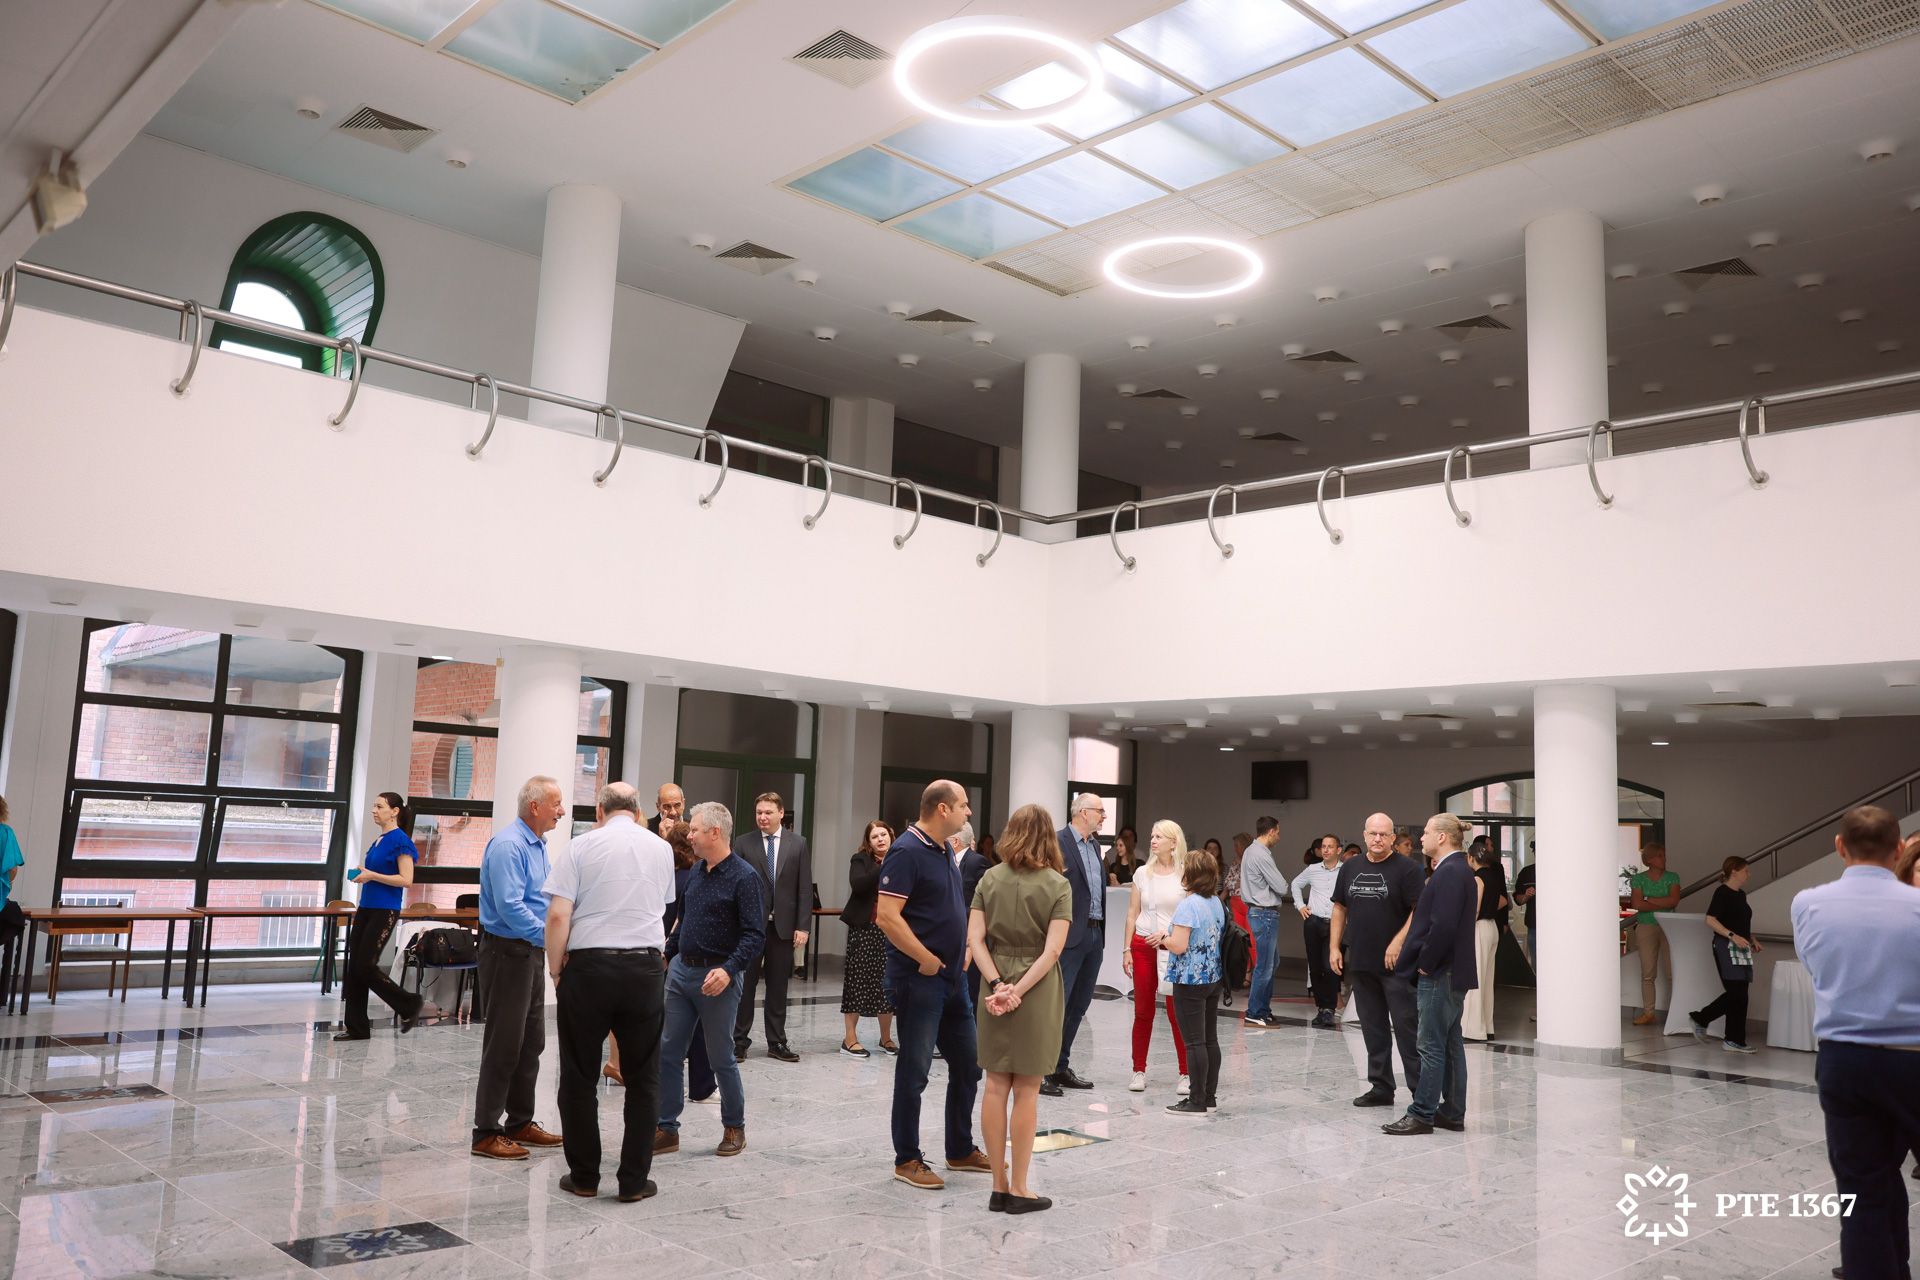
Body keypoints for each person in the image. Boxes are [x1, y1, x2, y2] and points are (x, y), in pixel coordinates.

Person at [1791, 806, 1920, 1280]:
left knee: (1862, 1190)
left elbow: (1815, 966)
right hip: (1915, 1059)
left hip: (1844, 1061)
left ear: (1839, 847)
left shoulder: (1807, 903)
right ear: (1899, 847)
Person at [544, 782, 674, 1201]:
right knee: (644, 1078)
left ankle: (584, 1177)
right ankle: (633, 1181)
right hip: (644, 968)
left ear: (599, 811)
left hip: (590, 968)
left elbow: (558, 915)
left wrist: (556, 971)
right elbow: (664, 905)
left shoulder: (580, 847)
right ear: (636, 811)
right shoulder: (661, 849)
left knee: (579, 1075)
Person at [875, 780, 990, 1189]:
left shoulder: (942, 849)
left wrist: (964, 948)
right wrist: (924, 957)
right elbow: (887, 916)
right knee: (915, 1070)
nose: (968, 812)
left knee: (969, 1064)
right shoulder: (906, 850)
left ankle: (959, 1148)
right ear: (943, 809)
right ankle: (906, 1158)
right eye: (963, 805)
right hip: (919, 980)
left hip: (953, 979)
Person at [969, 803, 1071, 1214]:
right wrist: (1018, 991)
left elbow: (975, 940)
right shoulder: (1057, 884)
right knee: (1027, 1089)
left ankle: (998, 1186)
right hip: (1037, 987)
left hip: (992, 980)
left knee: (995, 1084)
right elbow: (1053, 951)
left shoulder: (989, 878)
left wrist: (998, 985)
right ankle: (1021, 1188)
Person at [655, 802, 763, 1160]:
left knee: (720, 1057)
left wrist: (729, 970)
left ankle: (734, 1126)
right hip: (681, 973)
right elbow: (683, 920)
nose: (690, 835)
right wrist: (668, 953)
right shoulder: (697, 871)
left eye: (696, 830)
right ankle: (666, 1128)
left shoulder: (745, 877)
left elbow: (754, 935)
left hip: (718, 977)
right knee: (669, 1051)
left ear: (715, 833)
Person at [471, 776, 567, 1160]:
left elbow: (540, 901)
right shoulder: (509, 846)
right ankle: (485, 1132)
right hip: (506, 953)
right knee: (504, 1045)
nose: (562, 811)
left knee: (531, 1042)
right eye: (556, 804)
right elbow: (510, 907)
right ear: (535, 806)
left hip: (529, 952)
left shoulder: (538, 845)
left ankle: (520, 1122)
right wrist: (550, 938)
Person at [1382, 814, 1479, 1137]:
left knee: (1431, 1045)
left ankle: (1422, 1113)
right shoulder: (1458, 869)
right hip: (1450, 971)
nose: (1420, 838)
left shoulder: (1450, 872)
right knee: (1450, 1044)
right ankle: (1451, 1112)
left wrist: (1426, 963)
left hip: (1440, 972)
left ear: (1441, 837)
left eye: (1425, 833)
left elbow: (1444, 925)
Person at [1332, 812, 1425, 1108]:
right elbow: (1339, 908)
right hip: (1362, 961)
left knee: (1408, 1030)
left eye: (1384, 834)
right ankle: (1381, 1087)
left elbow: (1419, 911)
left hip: (1397, 966)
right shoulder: (1350, 867)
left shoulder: (1409, 869)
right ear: (1364, 835)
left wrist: (1398, 942)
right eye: (1373, 833)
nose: (1377, 839)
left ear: (1393, 838)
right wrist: (1334, 947)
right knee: (1373, 1030)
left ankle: (1421, 1095)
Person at [335, 791, 425, 1042]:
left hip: (385, 910)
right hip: (366, 908)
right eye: (374, 806)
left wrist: (372, 875)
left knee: (365, 965)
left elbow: (406, 879)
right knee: (355, 967)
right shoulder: (379, 840)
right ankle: (357, 1028)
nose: (374, 810)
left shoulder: (401, 841)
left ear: (395, 811)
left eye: (380, 806)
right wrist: (363, 873)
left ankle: (409, 1003)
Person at [733, 792, 811, 1062]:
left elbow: (804, 888)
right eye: (759, 813)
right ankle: (738, 1041)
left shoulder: (798, 844)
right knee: (745, 987)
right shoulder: (743, 843)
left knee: (778, 988)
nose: (763, 817)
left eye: (768, 812)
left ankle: (777, 1042)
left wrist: (803, 926)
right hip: (750, 928)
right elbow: (734, 885)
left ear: (781, 813)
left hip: (783, 928)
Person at [1042, 793, 1109, 1097]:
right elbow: (1046, 889)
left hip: (1094, 935)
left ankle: (1060, 1066)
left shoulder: (1095, 846)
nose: (1104, 816)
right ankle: (1041, 1069)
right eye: (1100, 811)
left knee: (1079, 1005)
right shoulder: (1057, 842)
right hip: (1067, 935)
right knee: (1057, 1004)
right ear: (1083, 812)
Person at [1121, 820, 1189, 1095]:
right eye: (1152, 835)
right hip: (1143, 946)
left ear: (1174, 843)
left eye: (1159, 836)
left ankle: (1185, 1073)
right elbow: (1132, 913)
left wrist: (1169, 935)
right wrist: (1126, 949)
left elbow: (1189, 914)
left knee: (1177, 1013)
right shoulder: (1142, 873)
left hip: (1171, 948)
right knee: (1143, 1011)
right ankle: (1138, 1069)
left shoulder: (1185, 874)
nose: (1153, 840)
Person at [1161, 846, 1226, 1116]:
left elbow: (1178, 945)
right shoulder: (1216, 903)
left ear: (1191, 874)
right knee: (1210, 1039)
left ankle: (1196, 1100)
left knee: (1194, 1042)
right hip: (1212, 977)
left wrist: (1162, 939)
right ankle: (1209, 1097)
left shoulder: (1188, 905)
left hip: (1190, 979)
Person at [1687, 856, 1762, 1054]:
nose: (1748, 874)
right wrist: (1732, 936)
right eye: (1746, 870)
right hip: (1725, 946)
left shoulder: (1741, 895)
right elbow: (1710, 919)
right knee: (1736, 993)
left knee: (1741, 994)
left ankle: (1734, 1039)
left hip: (1741, 947)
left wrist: (1751, 938)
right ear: (1734, 871)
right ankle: (1701, 1018)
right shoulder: (1722, 893)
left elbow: (1740, 922)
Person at [840, 820, 897, 1058]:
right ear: (869, 842)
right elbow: (859, 885)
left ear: (891, 835)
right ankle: (849, 1039)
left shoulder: (902, 858)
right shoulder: (860, 860)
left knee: (887, 983)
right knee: (857, 982)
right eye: (875, 837)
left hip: (891, 929)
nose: (880, 839)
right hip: (864, 928)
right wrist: (883, 863)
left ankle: (886, 1038)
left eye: (883, 834)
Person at [1238, 817, 1288, 1029]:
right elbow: (1282, 887)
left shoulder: (1251, 851)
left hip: (1258, 913)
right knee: (1265, 966)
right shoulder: (1260, 854)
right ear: (1271, 831)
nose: (1279, 837)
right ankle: (1255, 1012)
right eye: (1278, 832)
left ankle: (1263, 1010)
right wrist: (1282, 884)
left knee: (1271, 962)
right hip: (1265, 913)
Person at [1292, 834, 1343, 1028]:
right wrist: (1300, 906)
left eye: (1330, 846)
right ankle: (1321, 1007)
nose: (1326, 850)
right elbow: (1296, 884)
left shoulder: (1345, 870)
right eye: (1324, 846)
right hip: (1313, 922)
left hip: (1334, 924)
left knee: (1330, 966)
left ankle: (1329, 1008)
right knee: (1314, 967)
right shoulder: (1313, 869)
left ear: (1338, 850)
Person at [1629, 843, 1680, 1027]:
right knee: (1648, 973)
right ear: (1649, 860)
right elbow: (1637, 904)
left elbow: (1674, 901)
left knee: (1672, 972)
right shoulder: (1638, 879)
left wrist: (1648, 900)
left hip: (1669, 927)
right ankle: (1648, 1012)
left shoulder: (1673, 877)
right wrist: (1661, 903)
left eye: (1663, 855)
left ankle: (1675, 1012)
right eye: (1659, 856)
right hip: (1646, 926)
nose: (1664, 859)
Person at [1461, 838, 1508, 1043]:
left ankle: (1472, 1030)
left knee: (1475, 978)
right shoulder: (1494, 877)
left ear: (1471, 858)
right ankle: (1487, 1027)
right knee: (1487, 979)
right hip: (1492, 927)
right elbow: (1504, 900)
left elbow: (1475, 908)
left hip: (1479, 927)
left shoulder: (1477, 878)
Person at [956, 822, 992, 1013]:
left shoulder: (976, 862)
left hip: (970, 938)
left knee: (970, 994)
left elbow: (987, 901)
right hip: (949, 939)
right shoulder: (943, 860)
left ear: (954, 841)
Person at [1512, 854, 1538, 969]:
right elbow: (1518, 899)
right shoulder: (1527, 872)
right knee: (1536, 963)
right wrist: (1526, 895)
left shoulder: (1559, 871)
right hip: (1534, 927)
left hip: (1557, 926)